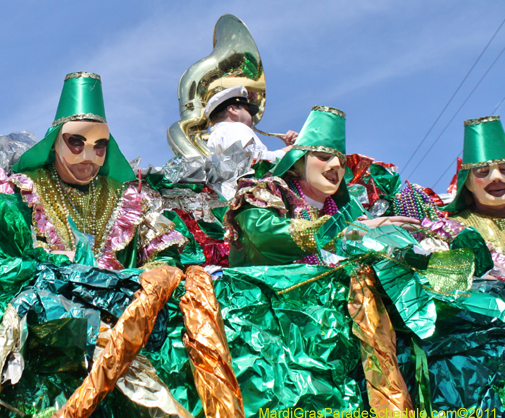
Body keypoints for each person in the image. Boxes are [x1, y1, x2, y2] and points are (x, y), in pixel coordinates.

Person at [0, 71, 185, 270]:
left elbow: (165, 255)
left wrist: (155, 276)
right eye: (76, 142)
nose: (88, 157)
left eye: (99, 145)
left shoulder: (125, 199)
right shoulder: (23, 191)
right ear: (55, 143)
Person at [225, 105, 418, 267]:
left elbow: (352, 241)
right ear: (298, 161)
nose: (335, 167)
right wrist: (341, 232)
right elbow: (263, 237)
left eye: (341, 164)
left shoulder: (347, 213)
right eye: (324, 157)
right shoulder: (263, 191)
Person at [442, 116, 505, 279]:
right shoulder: (452, 229)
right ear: (468, 183)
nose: (496, 178)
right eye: (483, 172)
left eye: (504, 170)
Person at [205, 84, 297, 159]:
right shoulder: (235, 127)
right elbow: (253, 161)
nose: (252, 119)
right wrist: (292, 150)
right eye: (247, 110)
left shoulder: (214, 138)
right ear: (233, 110)